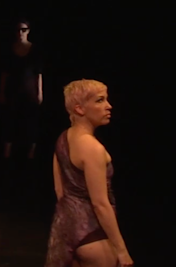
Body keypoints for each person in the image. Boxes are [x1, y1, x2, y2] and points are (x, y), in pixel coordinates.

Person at [45, 80, 133, 267]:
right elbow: (100, 203)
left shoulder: (63, 139)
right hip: (91, 235)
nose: (108, 106)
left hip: (65, 228)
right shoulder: (92, 148)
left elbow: (60, 191)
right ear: (80, 109)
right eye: (100, 101)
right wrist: (122, 250)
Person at [0, 18, 44, 161]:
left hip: (29, 90)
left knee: (31, 121)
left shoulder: (34, 49)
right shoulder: (10, 49)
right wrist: (1, 91)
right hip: (14, 90)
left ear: (28, 31)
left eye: (24, 30)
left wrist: (40, 92)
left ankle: (31, 152)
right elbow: (5, 74)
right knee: (10, 120)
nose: (20, 33)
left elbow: (38, 73)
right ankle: (7, 152)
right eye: (18, 30)